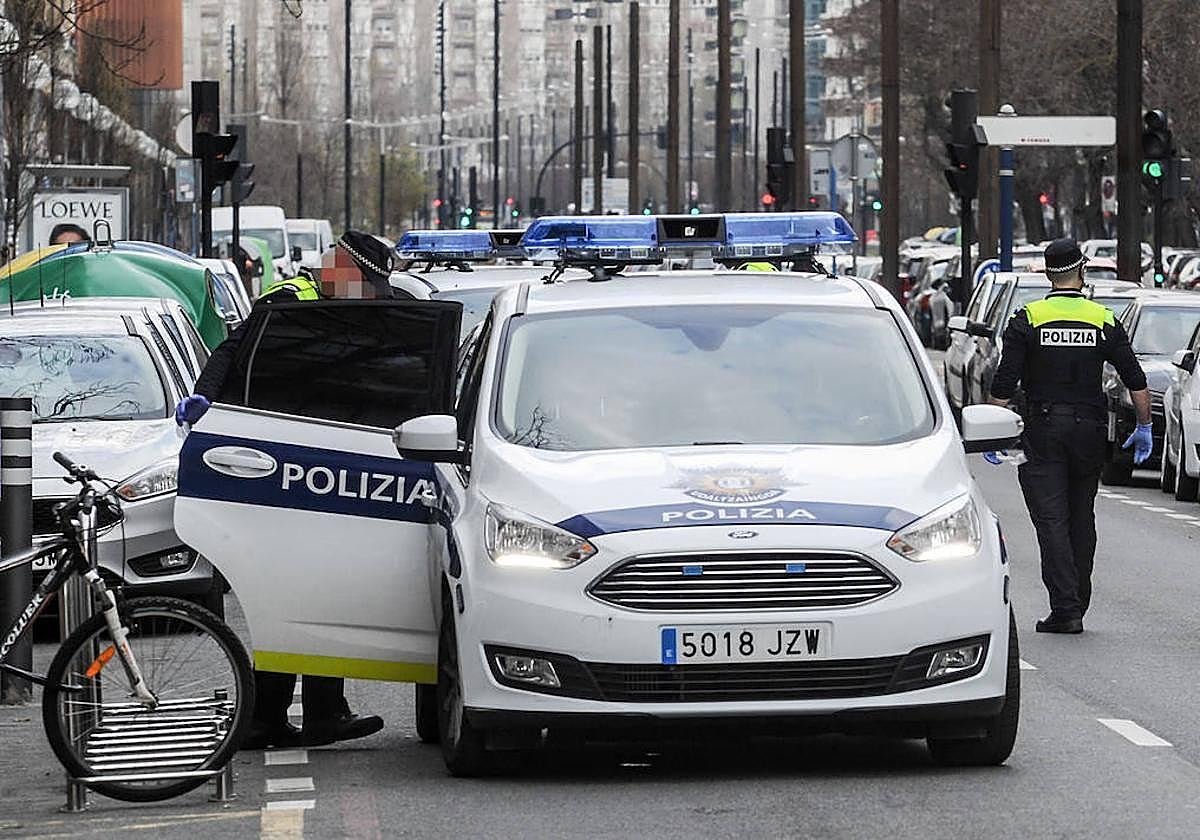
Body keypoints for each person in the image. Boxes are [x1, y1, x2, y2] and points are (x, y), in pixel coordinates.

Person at [176, 231, 396, 748]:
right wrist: (204, 397)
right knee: (303, 594)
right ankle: (279, 716)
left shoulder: (367, 306)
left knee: (317, 595)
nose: (373, 294)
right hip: (288, 465)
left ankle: (309, 711)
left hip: (325, 464)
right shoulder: (288, 303)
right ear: (340, 269)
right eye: (366, 283)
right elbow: (233, 352)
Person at [988, 238, 1151, 635]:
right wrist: (1144, 426)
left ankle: (1066, 608)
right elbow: (1136, 380)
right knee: (1082, 517)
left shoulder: (1027, 317)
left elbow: (1003, 385)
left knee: (1051, 521)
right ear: (1083, 271)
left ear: (1047, 274)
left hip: (1043, 431)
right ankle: (1077, 597)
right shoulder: (1104, 319)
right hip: (1089, 431)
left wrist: (991, 431)